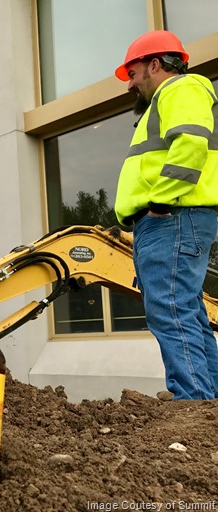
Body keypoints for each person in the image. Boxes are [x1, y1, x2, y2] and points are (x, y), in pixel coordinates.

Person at [114, 30, 218, 400]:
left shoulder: (179, 89)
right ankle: (207, 403)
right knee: (185, 309)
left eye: (133, 72)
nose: (130, 84)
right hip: (172, 218)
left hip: (171, 216)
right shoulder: (168, 100)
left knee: (171, 309)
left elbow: (190, 145)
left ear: (155, 64)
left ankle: (193, 402)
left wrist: (160, 203)